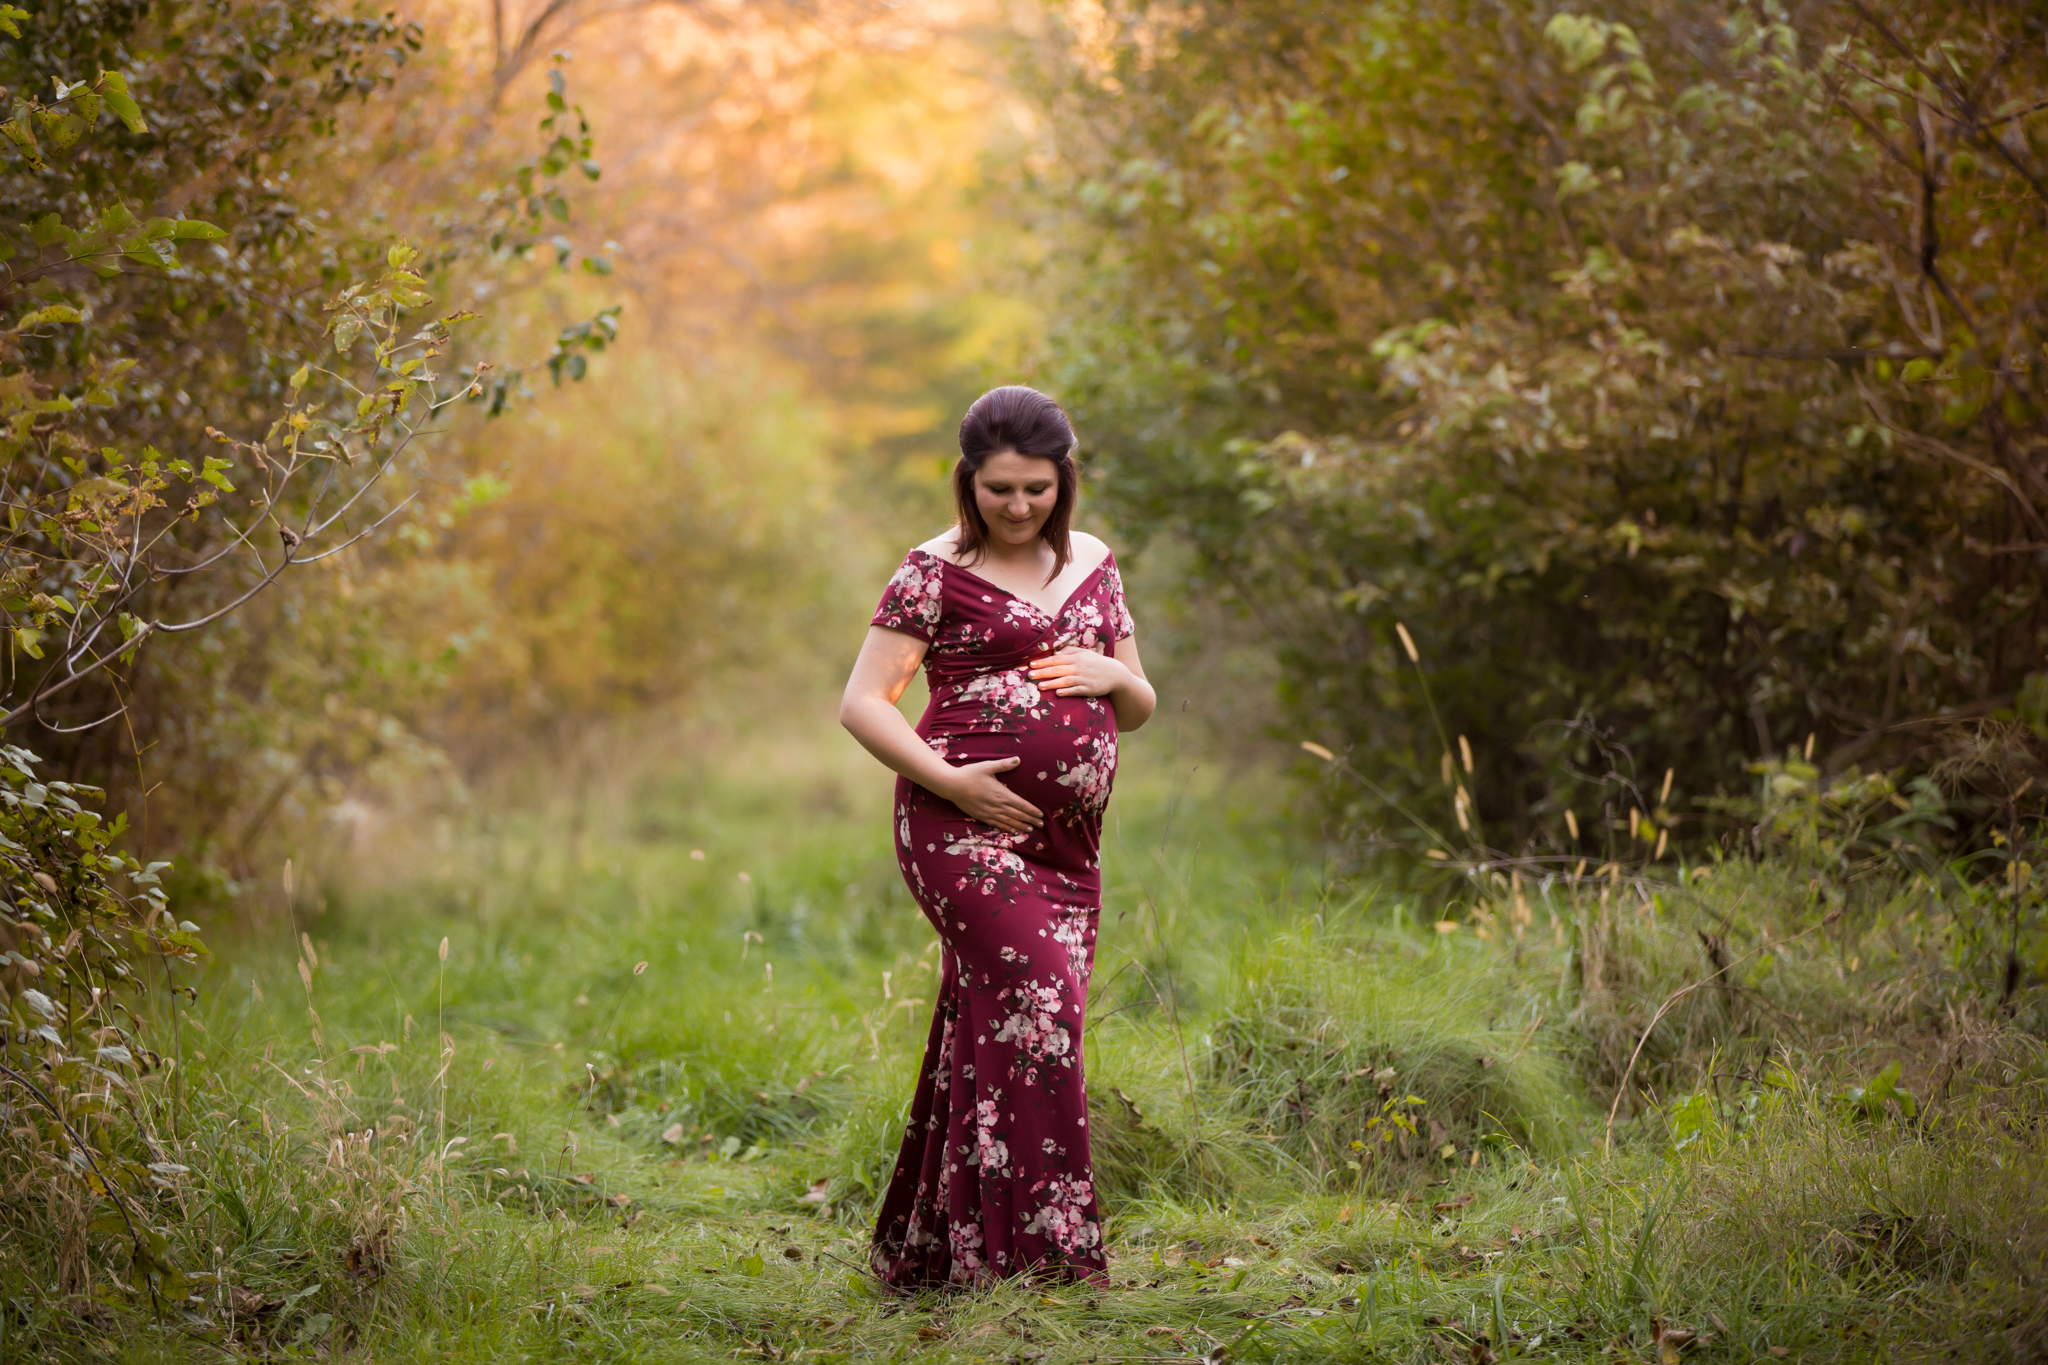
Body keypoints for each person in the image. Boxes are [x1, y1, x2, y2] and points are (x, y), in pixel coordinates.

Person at [839, 385, 1157, 1289]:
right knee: (1040, 1008)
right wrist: (950, 782)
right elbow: (862, 701)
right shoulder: (931, 571)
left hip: (1067, 849)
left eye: (1038, 490)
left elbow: (1138, 704)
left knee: (997, 1023)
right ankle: (1047, 1261)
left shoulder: (1093, 561)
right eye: (999, 490)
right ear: (967, 482)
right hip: (955, 826)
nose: (1019, 508)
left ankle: (939, 1249)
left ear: (1065, 482)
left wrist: (1110, 675)